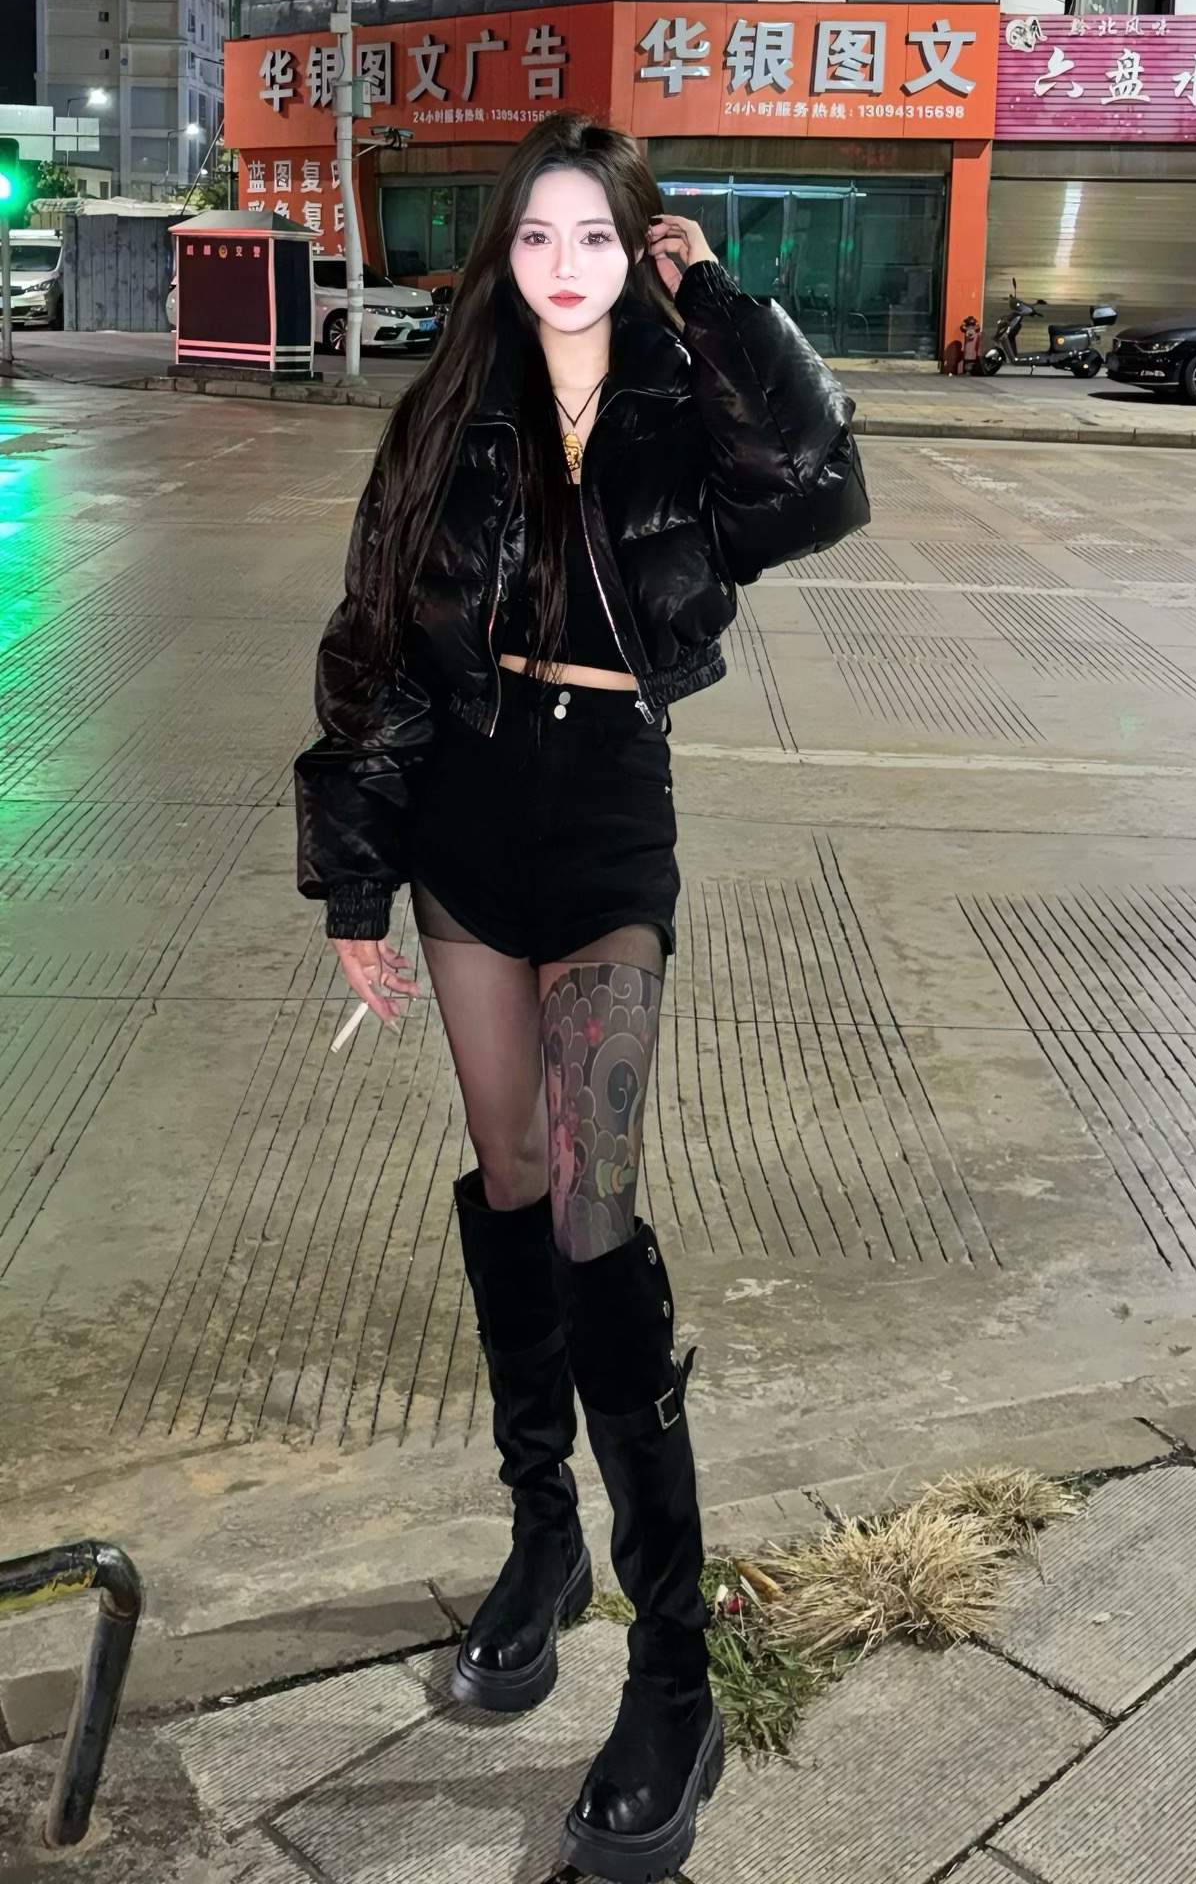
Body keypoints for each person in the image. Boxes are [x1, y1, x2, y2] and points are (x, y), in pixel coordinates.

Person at [295, 110, 870, 1882]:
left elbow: (818, 486)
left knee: (596, 1211)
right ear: (506, 251)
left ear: (640, 248)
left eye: (599, 238)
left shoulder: (685, 398)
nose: (565, 266)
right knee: (513, 1181)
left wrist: (721, 303)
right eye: (540, 236)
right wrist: (357, 878)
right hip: (470, 826)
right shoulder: (443, 416)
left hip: (611, 814)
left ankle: (673, 1673)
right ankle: (541, 1534)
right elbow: (377, 643)